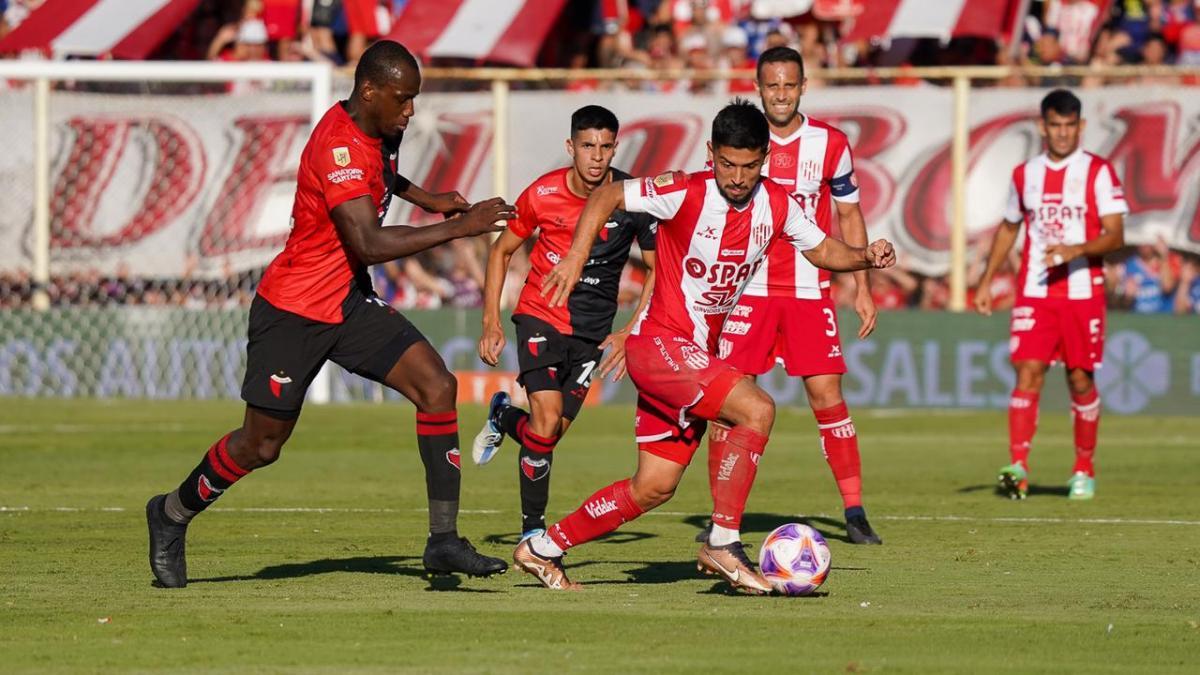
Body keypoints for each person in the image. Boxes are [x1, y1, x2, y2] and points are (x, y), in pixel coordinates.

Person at [144, 41, 516, 588]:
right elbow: (367, 242)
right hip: (294, 310)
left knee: (437, 387)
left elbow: (382, 175)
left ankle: (442, 541)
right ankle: (171, 513)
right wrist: (460, 226)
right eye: (403, 99)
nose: (410, 111)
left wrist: (429, 198)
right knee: (261, 445)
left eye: (413, 99)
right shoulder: (337, 146)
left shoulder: (379, 124)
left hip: (346, 300)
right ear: (369, 91)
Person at [512, 100, 896, 592]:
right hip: (659, 344)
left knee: (653, 487)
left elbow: (822, 249)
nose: (737, 177)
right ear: (710, 153)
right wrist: (576, 255)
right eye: (727, 164)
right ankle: (724, 540)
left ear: (764, 160)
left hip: (694, 354)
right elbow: (606, 195)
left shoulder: (777, 203)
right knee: (756, 409)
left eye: (749, 166)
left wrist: (864, 256)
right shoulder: (682, 190)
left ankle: (543, 547)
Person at [703, 46, 882, 545]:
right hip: (747, 291)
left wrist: (862, 287)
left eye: (788, 85)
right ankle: (723, 521)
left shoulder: (830, 143)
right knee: (729, 403)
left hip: (809, 289)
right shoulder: (742, 141)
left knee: (828, 398)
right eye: (771, 86)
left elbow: (849, 216)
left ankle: (854, 512)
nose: (780, 95)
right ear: (758, 87)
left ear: (803, 86)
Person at [474, 106, 658, 541]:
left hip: (593, 331)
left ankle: (502, 417)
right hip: (540, 314)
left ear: (616, 147)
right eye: (587, 146)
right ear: (570, 147)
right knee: (547, 414)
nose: (596, 156)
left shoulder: (633, 198)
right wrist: (491, 322)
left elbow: (658, 268)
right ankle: (532, 533)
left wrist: (630, 328)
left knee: (547, 435)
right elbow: (501, 251)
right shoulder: (542, 193)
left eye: (605, 146)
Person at [975, 88, 1127, 501]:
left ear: (1081, 126)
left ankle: (1083, 469)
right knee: (1028, 370)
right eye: (1055, 126)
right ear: (1043, 127)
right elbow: (1009, 227)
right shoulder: (1025, 175)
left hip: (1082, 293)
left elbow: (1116, 235)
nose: (1062, 134)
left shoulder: (1099, 173)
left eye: (1069, 126)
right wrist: (987, 280)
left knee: (1079, 379)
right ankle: (1018, 468)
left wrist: (1076, 250)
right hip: (1035, 290)